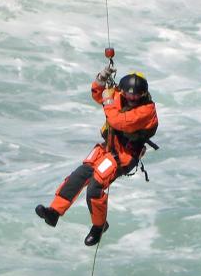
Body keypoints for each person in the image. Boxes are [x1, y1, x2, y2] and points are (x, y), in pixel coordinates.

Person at [35, 66, 159, 246]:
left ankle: (99, 227)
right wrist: (102, 79)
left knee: (95, 188)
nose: (131, 98)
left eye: (136, 96)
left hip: (124, 155)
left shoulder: (146, 111)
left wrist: (108, 100)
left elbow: (117, 120)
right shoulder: (120, 96)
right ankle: (54, 212)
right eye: (128, 94)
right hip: (107, 146)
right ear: (123, 91)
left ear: (143, 94)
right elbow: (99, 95)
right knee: (79, 175)